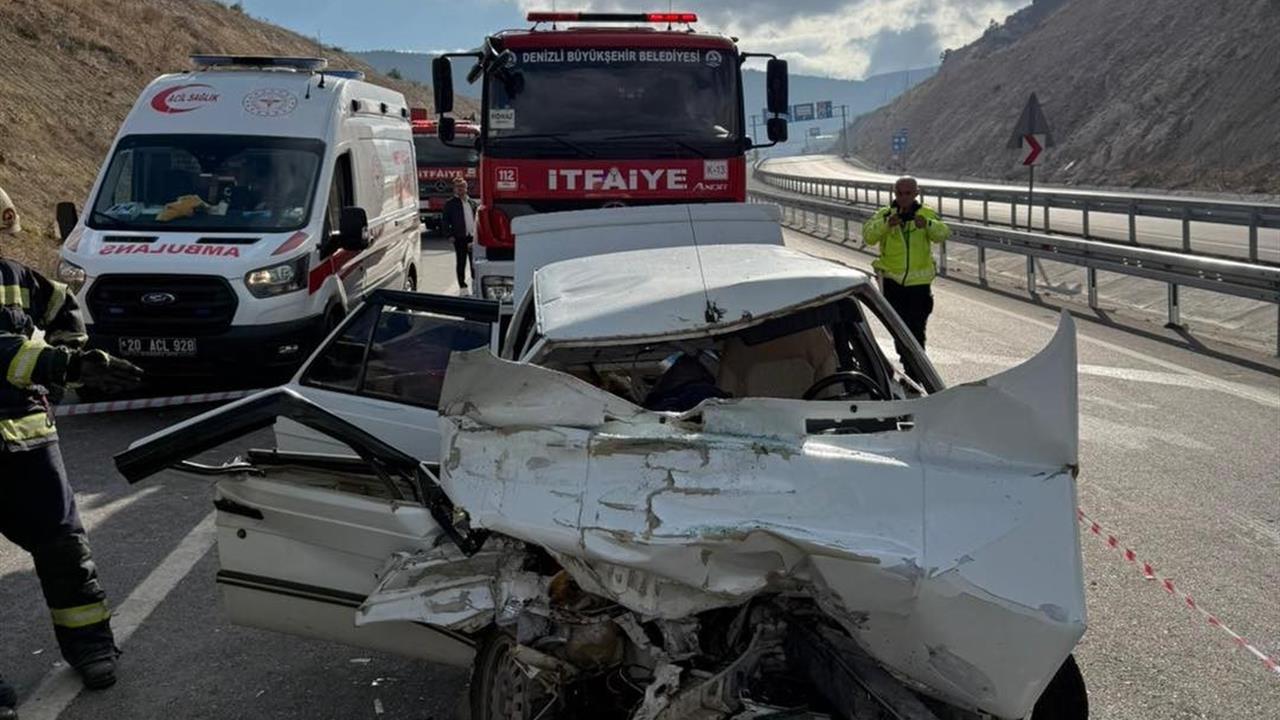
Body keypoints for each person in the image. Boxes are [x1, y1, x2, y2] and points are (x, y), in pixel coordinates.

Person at [0, 186, 145, 717]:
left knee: (64, 548)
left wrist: (73, 353)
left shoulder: (15, 277)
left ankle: (91, 646)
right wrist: (65, 368)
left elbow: (63, 308)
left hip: (28, 443)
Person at [861, 176, 951, 360]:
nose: (903, 197)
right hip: (892, 283)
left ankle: (915, 374)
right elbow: (868, 237)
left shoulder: (926, 214)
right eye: (899, 193)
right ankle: (909, 367)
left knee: (917, 332)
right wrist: (887, 224)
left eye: (908, 193)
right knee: (899, 331)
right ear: (894, 194)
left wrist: (927, 224)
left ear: (916, 193)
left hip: (919, 285)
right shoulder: (885, 214)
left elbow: (942, 234)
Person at [441, 176, 477, 290]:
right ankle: (462, 286)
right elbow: (445, 221)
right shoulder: (450, 204)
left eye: (462, 187)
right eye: (458, 187)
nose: (460, 189)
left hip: (473, 237)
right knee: (461, 262)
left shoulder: (472, 203)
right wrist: (449, 235)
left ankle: (475, 283)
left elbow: (477, 218)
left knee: (474, 263)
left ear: (466, 188)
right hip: (460, 237)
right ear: (454, 189)